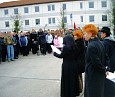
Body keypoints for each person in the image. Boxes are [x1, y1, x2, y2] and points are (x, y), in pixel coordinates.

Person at [82, 24, 108, 97]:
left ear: (90, 34)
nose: (83, 36)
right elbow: (106, 57)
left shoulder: (91, 46)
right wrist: (106, 68)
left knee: (92, 93)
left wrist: (104, 70)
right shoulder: (100, 43)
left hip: (93, 75)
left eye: (84, 33)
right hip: (99, 75)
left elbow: (96, 62)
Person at [73, 29, 86, 94]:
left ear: (78, 36)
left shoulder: (78, 43)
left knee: (78, 76)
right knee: (79, 75)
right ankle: (81, 88)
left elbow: (76, 53)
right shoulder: (81, 42)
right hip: (81, 61)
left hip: (78, 62)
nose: (74, 37)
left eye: (75, 35)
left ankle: (79, 89)